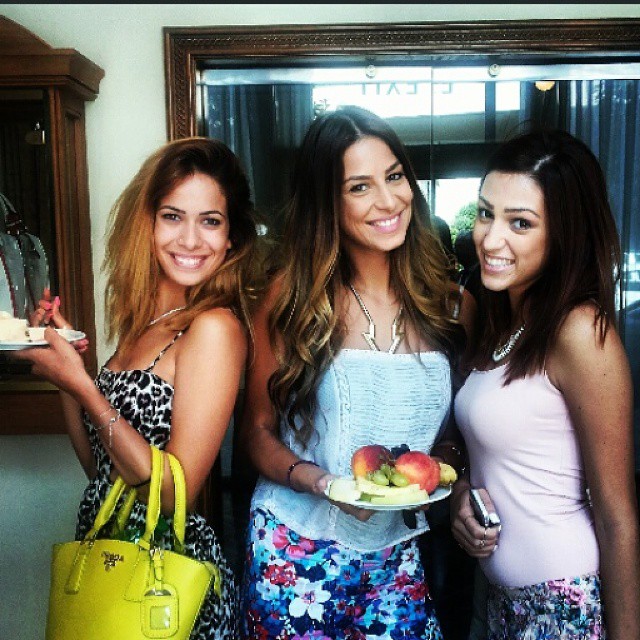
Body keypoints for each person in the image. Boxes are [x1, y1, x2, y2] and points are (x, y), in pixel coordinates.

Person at [238, 105, 474, 639]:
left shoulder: (450, 305)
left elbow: (455, 434)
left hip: (395, 557)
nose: (388, 201)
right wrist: (322, 482)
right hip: (294, 553)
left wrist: (441, 470)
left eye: (394, 177)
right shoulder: (292, 297)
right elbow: (255, 431)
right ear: (327, 202)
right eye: (359, 187)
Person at [13, 137, 259, 639]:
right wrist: (69, 376)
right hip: (109, 566)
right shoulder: (143, 324)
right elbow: (102, 472)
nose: (190, 239)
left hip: (166, 589)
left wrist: (85, 389)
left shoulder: (213, 328)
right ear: (146, 222)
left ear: (231, 237)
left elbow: (171, 496)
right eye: (172, 216)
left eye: (210, 221)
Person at [451, 129, 640, 639]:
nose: (491, 239)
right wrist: (461, 494)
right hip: (502, 604)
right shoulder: (504, 322)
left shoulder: (579, 330)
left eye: (520, 223)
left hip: (562, 607)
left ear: (563, 234)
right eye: (486, 213)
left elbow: (617, 516)